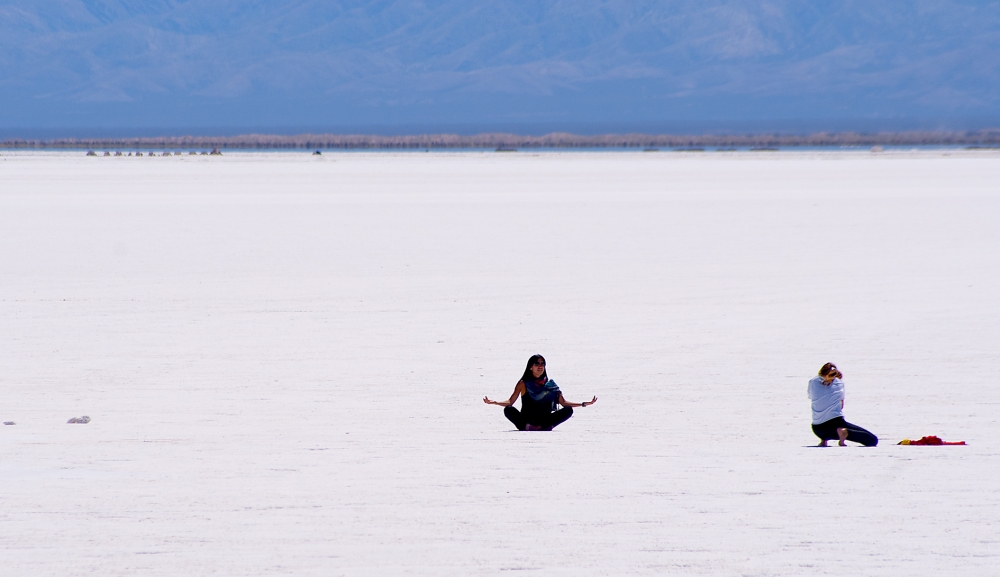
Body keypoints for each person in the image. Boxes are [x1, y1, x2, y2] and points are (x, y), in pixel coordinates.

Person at [483, 354, 597, 431]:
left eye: (542, 364)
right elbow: (510, 401)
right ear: (530, 367)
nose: (540, 366)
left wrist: (583, 404)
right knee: (508, 409)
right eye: (537, 364)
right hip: (527, 420)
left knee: (568, 410)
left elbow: (564, 403)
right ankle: (528, 426)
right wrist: (495, 402)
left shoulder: (550, 385)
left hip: (545, 421)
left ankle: (544, 426)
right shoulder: (523, 383)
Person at [808, 363, 878, 447]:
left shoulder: (813, 381)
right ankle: (844, 432)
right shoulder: (838, 383)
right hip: (835, 427)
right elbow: (841, 406)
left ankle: (824, 440)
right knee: (872, 440)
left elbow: (813, 398)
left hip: (817, 429)